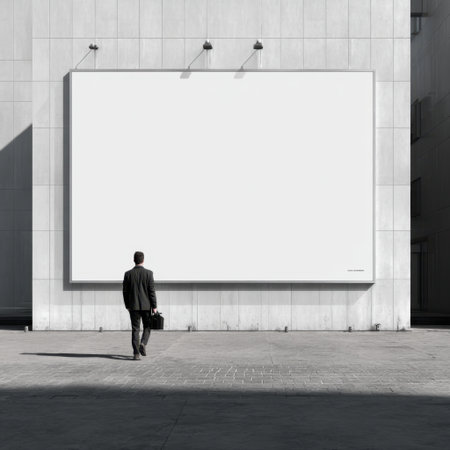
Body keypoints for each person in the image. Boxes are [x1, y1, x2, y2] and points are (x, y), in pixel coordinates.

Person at [122, 251, 157, 360]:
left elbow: (125, 291)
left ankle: (136, 354)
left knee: (135, 329)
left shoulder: (128, 274)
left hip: (133, 306)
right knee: (147, 326)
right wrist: (154, 306)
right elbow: (151, 291)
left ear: (134, 260)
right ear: (143, 260)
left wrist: (127, 305)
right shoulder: (149, 273)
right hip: (146, 306)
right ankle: (143, 343)